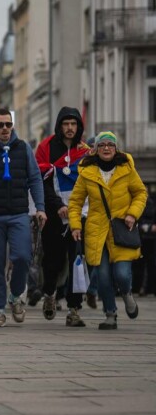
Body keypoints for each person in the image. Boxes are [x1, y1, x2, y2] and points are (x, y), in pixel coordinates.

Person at [67, 132, 148, 330]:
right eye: (102, 144)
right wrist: (76, 225)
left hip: (122, 229)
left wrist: (132, 214)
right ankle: (110, 314)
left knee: (122, 274)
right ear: (95, 149)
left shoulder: (126, 168)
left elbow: (140, 193)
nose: (106, 148)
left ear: (116, 148)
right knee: (102, 276)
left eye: (110, 145)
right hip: (97, 231)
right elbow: (75, 202)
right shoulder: (87, 172)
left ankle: (127, 293)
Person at [0, 108, 46, 327]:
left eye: (8, 124)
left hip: (18, 214)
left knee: (22, 257)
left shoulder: (23, 148)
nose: (5, 128)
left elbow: (35, 178)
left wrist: (40, 208)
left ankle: (16, 295)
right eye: (0, 125)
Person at [34, 107, 91, 327]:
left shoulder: (85, 152)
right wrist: (57, 205)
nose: (70, 128)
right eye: (66, 124)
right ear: (59, 126)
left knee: (77, 259)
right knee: (53, 260)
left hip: (80, 215)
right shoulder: (46, 147)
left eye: (73, 124)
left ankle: (74, 309)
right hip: (54, 213)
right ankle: (49, 293)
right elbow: (41, 181)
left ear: (79, 127)